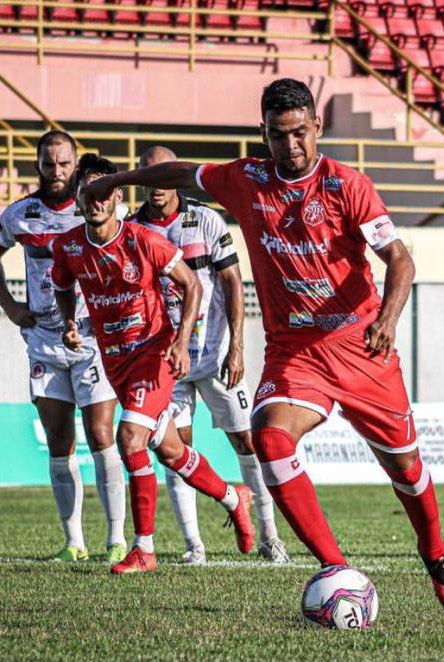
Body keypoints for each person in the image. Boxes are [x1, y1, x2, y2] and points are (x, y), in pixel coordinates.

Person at [82, 78, 444, 614]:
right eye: (278, 135)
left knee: (406, 468)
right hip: (296, 353)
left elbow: (401, 261)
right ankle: (335, 565)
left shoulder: (346, 185)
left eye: (300, 133)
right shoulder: (246, 179)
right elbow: (177, 172)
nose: (292, 146)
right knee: (269, 440)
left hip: (361, 346)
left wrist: (388, 318)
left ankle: (436, 554)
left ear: (317, 127)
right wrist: (118, 180)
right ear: (263, 133)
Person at [50, 153, 255, 574]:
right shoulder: (67, 246)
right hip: (116, 362)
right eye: (87, 192)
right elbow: (62, 284)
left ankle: (144, 548)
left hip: (155, 353)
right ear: (78, 197)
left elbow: (192, 284)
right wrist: (70, 322)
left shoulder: (142, 239)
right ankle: (235, 498)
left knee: (130, 439)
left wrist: (180, 343)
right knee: (171, 451)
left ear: (117, 196)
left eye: (103, 191)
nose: (96, 200)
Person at [130, 145, 289, 565]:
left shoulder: (205, 219)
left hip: (216, 355)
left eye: (164, 175)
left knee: (248, 442)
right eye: (147, 176)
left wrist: (238, 346)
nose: (156, 185)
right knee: (178, 448)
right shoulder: (133, 229)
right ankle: (193, 545)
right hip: (168, 364)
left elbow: (233, 283)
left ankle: (270, 536)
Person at [0, 130, 128, 565]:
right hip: (44, 340)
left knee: (102, 435)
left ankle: (116, 538)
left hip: (92, 338)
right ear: (38, 165)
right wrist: (10, 306)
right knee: (59, 441)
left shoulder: (93, 210)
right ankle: (73, 542)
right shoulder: (21, 214)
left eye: (64, 163)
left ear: (75, 163)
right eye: (49, 163)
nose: (57, 171)